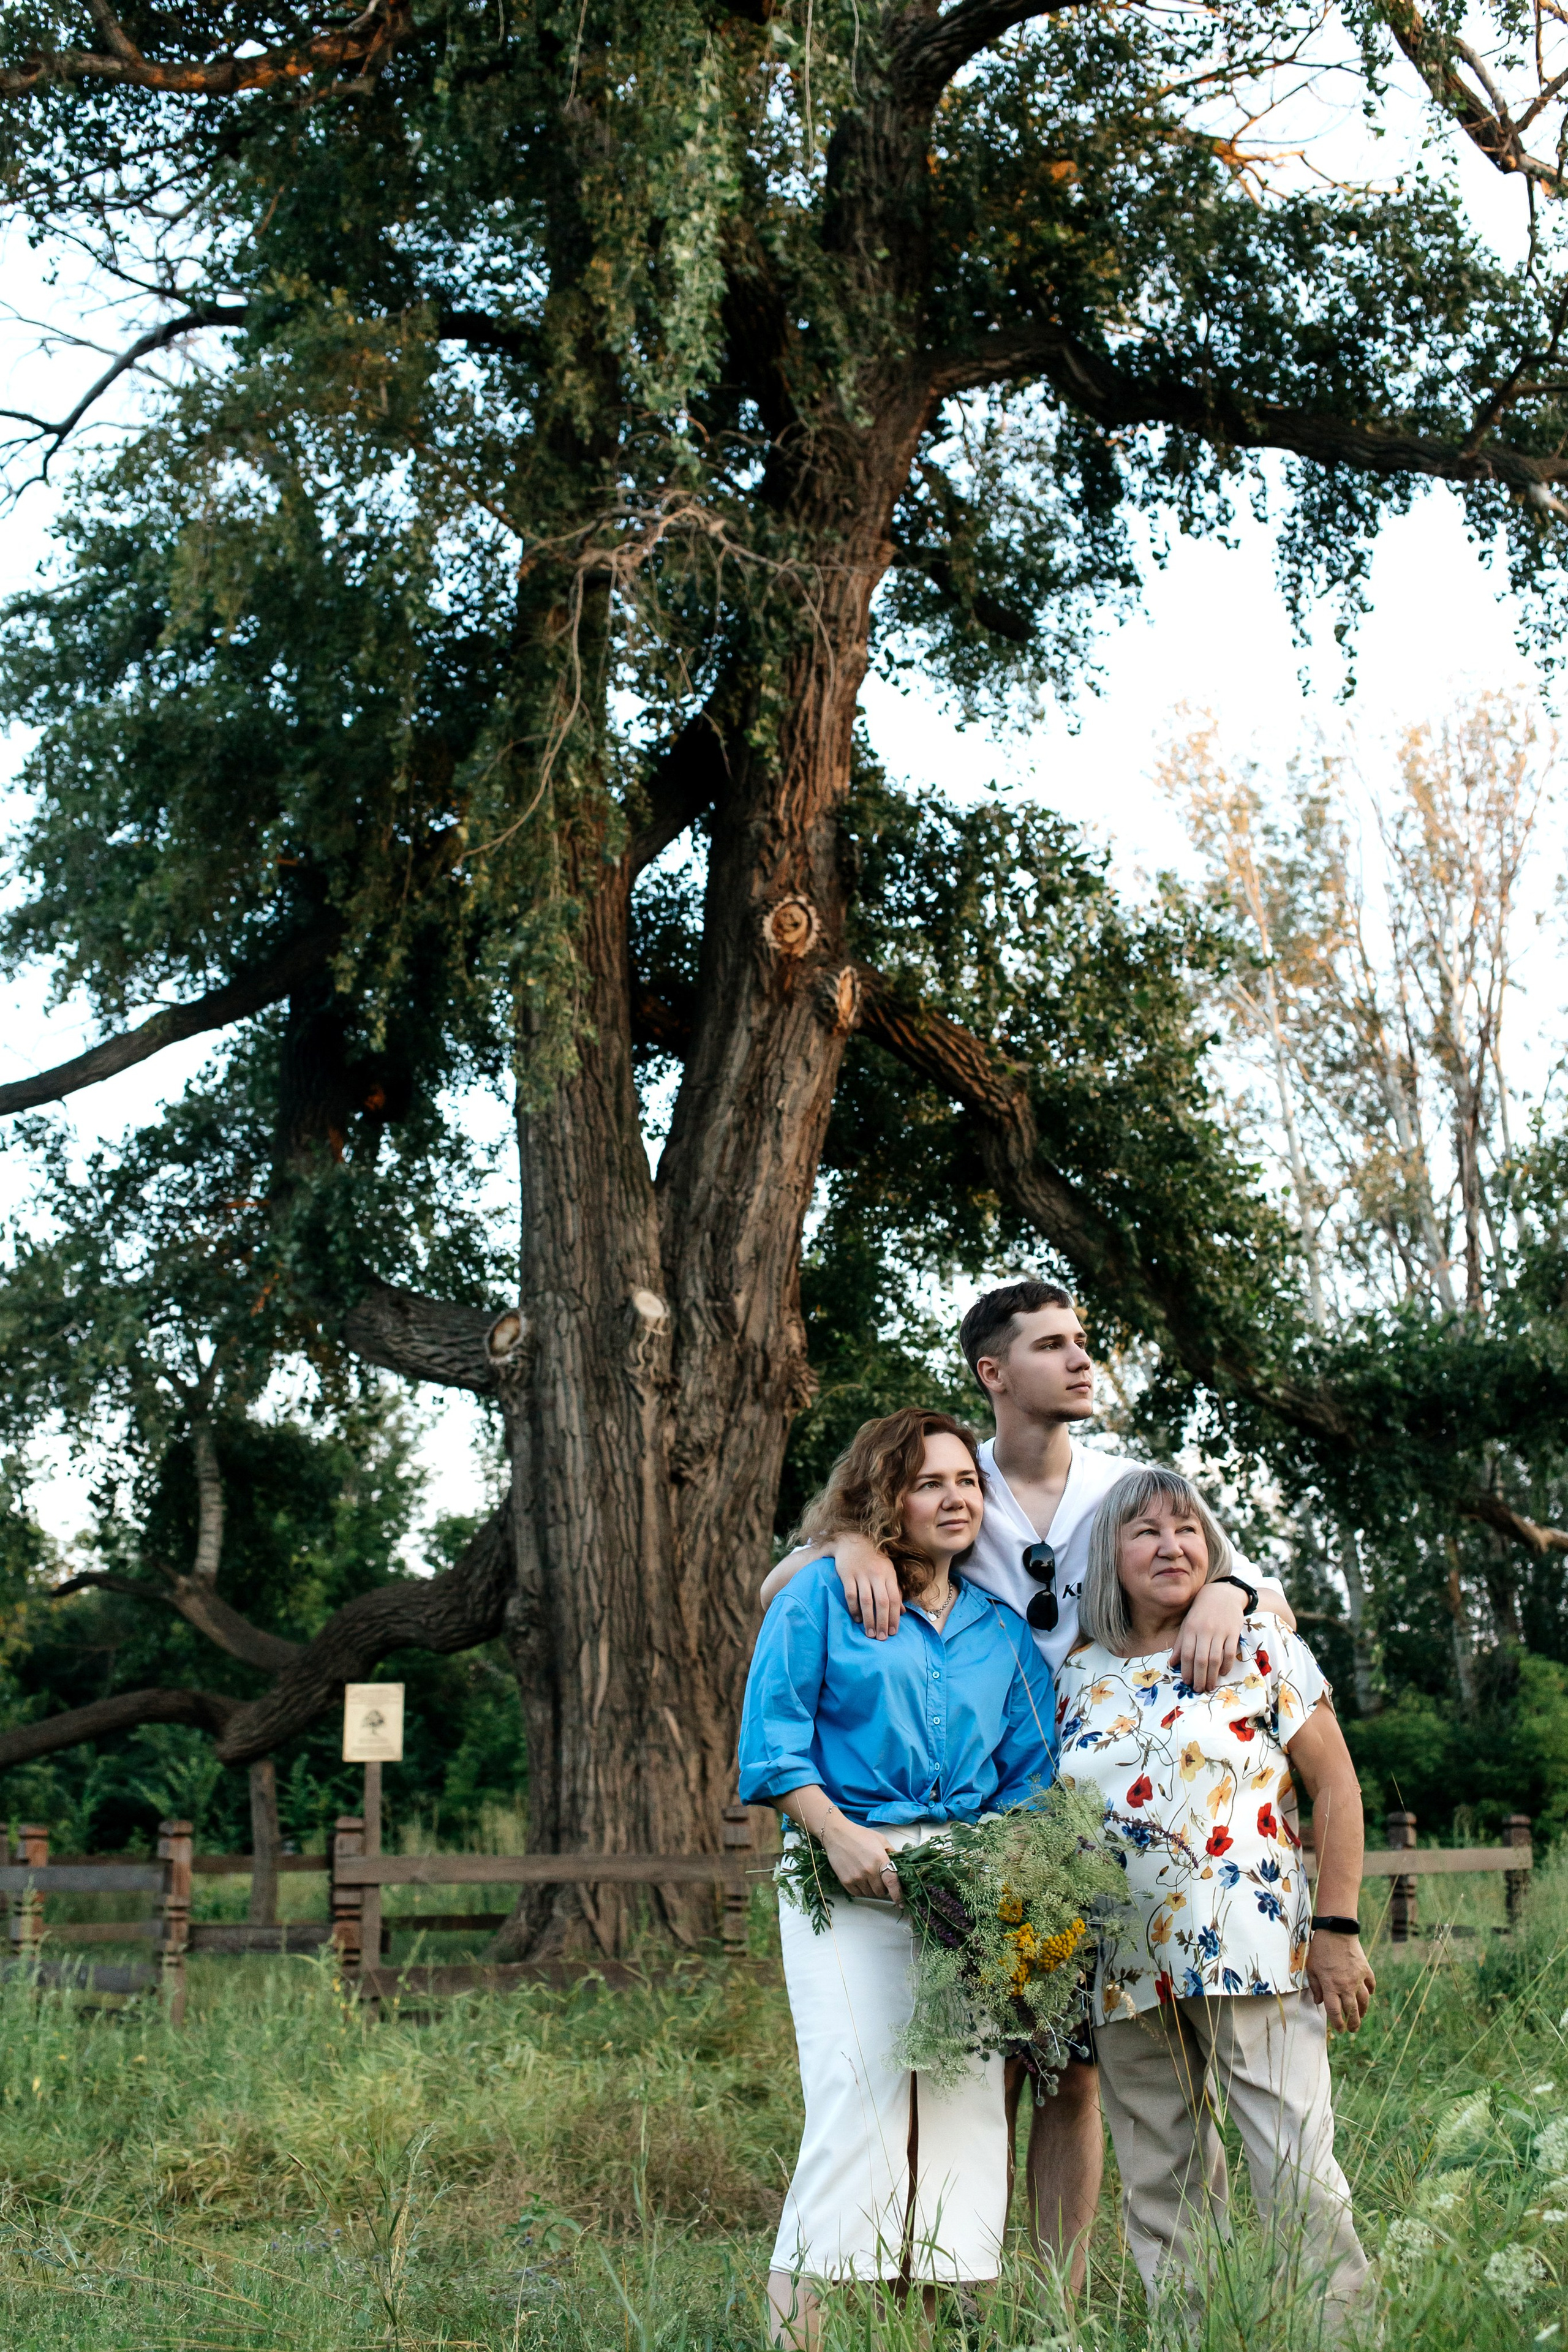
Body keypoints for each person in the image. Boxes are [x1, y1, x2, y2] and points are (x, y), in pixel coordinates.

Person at [761, 1279, 1299, 2280]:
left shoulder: (1125, 1481)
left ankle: (1048, 2296)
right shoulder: (963, 1483)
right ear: (993, 1372)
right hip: (982, 1804)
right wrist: (842, 1540)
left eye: (1084, 1340)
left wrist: (1228, 1588)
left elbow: (1254, 1583)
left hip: (1087, 1807)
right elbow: (779, 1589)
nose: (1082, 1358)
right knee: (966, 2064)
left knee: (1074, 2073)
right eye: (1054, 1344)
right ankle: (939, 2277)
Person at [738, 1408, 1058, 2348]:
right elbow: (773, 1740)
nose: (955, 1498)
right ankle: (803, 2337)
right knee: (859, 2100)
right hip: (847, 1869)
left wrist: (997, 1865)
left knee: (964, 2111)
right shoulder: (822, 1599)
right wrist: (835, 1834)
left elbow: (1031, 1775)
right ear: (885, 1497)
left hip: (967, 1875)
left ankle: (935, 2335)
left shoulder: (1001, 1632)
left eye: (966, 1481)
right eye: (928, 1483)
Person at [1057, 1466, 1373, 2331]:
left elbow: (1337, 1790)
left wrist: (1338, 1930)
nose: (1171, 1546)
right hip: (1123, 1969)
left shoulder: (1261, 1646)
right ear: (1108, 1556)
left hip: (1254, 1952)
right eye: (1146, 1532)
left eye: (1187, 1529)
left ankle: (1341, 2336)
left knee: (1294, 2170)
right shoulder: (1076, 1675)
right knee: (1162, 2180)